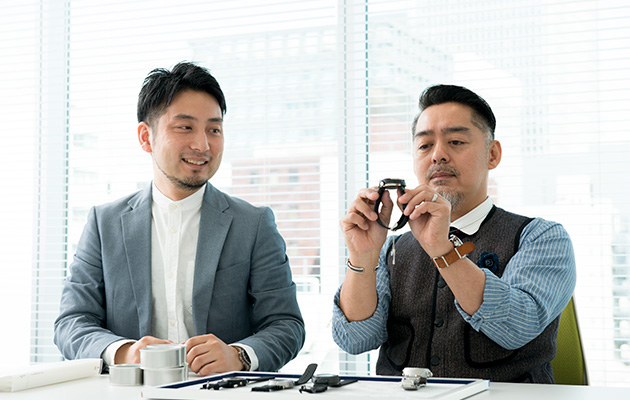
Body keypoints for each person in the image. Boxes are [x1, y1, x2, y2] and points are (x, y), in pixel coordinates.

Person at [54, 61, 305, 375]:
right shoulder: (104, 224)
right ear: (146, 137)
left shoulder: (253, 224)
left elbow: (286, 325)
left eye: (214, 129)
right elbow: (71, 323)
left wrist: (238, 356)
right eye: (185, 127)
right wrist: (125, 353)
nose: (202, 145)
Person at [332, 84, 576, 383]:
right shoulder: (392, 248)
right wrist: (363, 256)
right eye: (424, 146)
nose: (437, 156)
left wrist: (442, 248)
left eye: (456, 141)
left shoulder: (541, 237)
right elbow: (355, 340)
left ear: (492, 154)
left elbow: (516, 328)